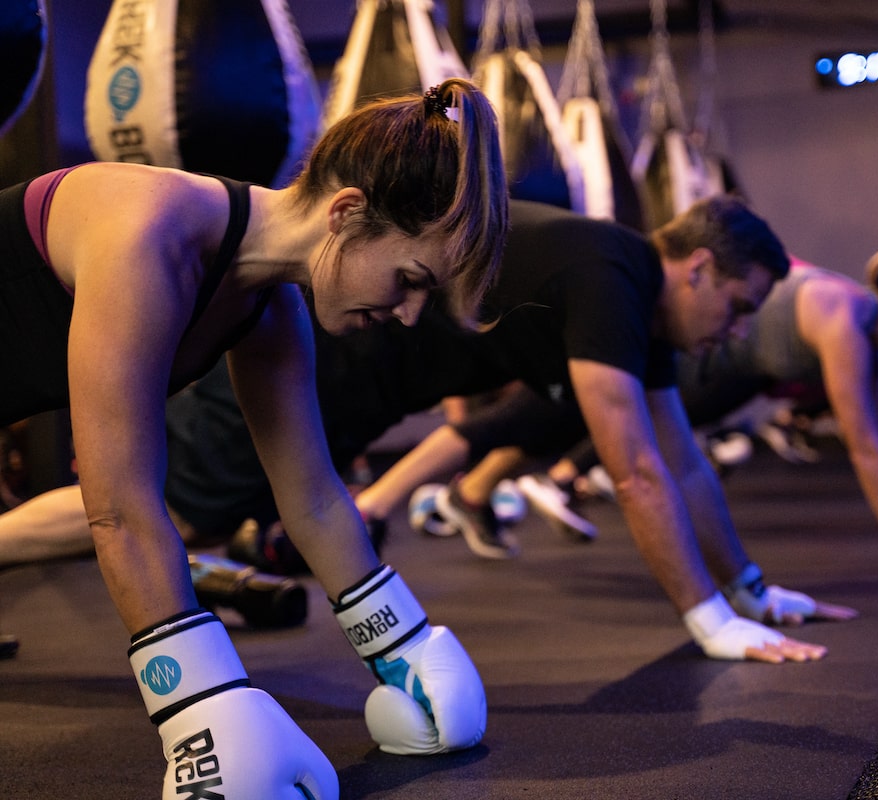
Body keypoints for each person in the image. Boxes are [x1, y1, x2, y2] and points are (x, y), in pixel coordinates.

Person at [2, 196, 839, 668]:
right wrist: (711, 622)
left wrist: (751, 589)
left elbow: (683, 464)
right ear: (698, 268)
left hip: (367, 387)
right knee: (163, 511)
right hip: (325, 358)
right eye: (736, 305)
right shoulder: (611, 274)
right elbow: (637, 473)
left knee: (195, 519)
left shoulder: (637, 306)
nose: (733, 333)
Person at [0, 79, 508, 797]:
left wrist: (402, 645)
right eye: (410, 278)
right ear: (347, 212)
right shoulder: (152, 235)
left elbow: (314, 498)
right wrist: (199, 706)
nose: (406, 313)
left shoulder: (266, 308)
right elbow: (118, 507)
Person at [512, 247, 878, 571]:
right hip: (692, 357)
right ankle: (501, 483)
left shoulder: (872, 328)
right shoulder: (847, 320)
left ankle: (505, 484)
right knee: (534, 420)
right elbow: (865, 444)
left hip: (731, 375)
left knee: (555, 422)